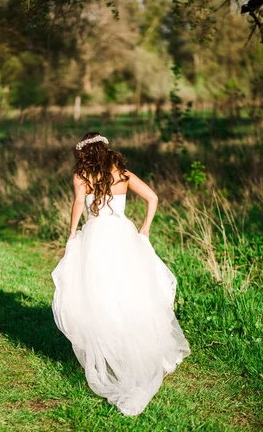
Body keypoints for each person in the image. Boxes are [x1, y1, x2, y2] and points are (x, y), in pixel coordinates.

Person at [51, 132, 191, 416]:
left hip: (96, 238)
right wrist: (145, 229)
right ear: (106, 150)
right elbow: (152, 197)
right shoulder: (123, 174)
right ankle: (134, 351)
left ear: (84, 154)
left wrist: (71, 236)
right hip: (123, 236)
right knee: (130, 292)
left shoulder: (82, 175)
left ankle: (111, 353)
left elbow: (79, 205)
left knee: (99, 293)